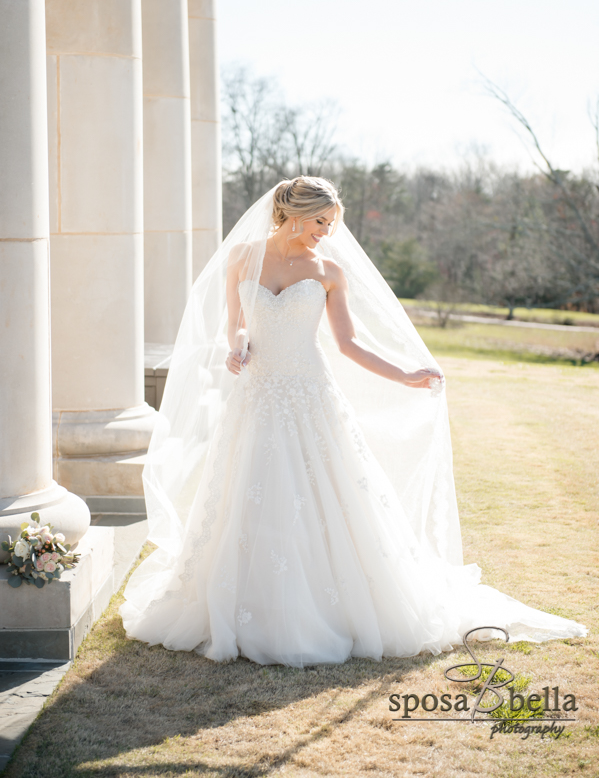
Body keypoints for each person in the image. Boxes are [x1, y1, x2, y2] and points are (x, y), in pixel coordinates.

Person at [121, 177, 586, 667]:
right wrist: (238, 347)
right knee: (248, 493)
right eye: (322, 221)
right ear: (295, 214)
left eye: (332, 222)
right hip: (256, 398)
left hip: (311, 397)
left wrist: (407, 374)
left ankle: (325, 608)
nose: (328, 231)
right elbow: (235, 322)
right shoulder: (243, 258)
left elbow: (349, 344)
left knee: (327, 496)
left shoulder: (328, 270)